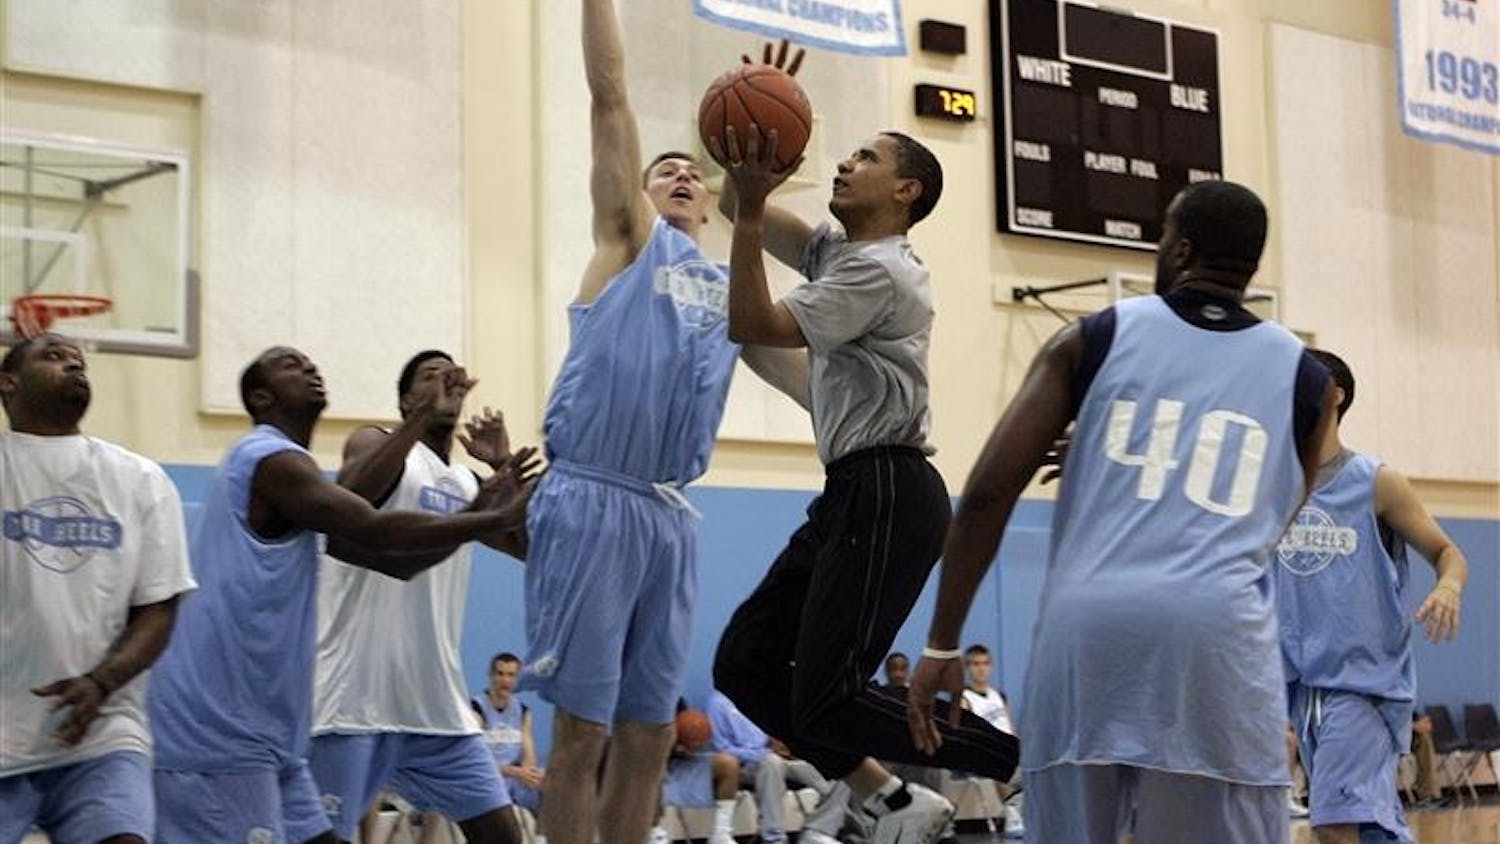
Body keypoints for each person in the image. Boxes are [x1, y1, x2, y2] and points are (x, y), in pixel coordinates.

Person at [907, 181, 1338, 844]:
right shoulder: (1307, 378)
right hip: (1215, 639)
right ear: (1251, 266)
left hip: (1089, 636)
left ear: (1182, 248)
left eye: (1164, 236)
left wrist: (942, 641)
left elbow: (990, 492)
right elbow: (1273, 514)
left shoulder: (1097, 336)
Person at [709, 121, 1018, 844]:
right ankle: (891, 801)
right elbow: (732, 205)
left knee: (826, 700)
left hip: (889, 490)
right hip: (853, 490)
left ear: (905, 191)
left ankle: (1022, 759)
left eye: (866, 158)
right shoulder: (843, 251)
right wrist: (744, 161)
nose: (845, 163)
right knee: (745, 661)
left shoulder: (880, 270)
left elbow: (752, 319)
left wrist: (753, 211)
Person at [522, 5, 786, 844]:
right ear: (637, 191)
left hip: (668, 513)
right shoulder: (627, 244)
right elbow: (609, 96)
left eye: (692, 172)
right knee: (582, 733)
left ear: (712, 200)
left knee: (650, 731)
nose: (678, 175)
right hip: (591, 495)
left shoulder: (733, 286)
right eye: (662, 168)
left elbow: (816, 387)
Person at [148, 346, 534, 844]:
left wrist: (495, 491)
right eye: (292, 365)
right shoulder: (278, 459)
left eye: (311, 363)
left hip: (412, 708)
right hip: (304, 710)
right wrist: (482, 510)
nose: (310, 368)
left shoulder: (458, 483)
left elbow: (402, 561)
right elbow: (365, 514)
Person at [309, 350, 537, 843]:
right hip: (354, 697)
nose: (446, 384)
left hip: (435, 705)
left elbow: (530, 550)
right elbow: (351, 500)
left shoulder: (462, 483)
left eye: (453, 376)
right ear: (406, 398)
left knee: (504, 835)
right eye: (431, 377)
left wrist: (503, 465)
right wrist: (417, 420)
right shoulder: (376, 441)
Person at [0, 334, 197, 844]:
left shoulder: (141, 480)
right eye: (53, 356)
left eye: (78, 360)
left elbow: (158, 609)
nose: (72, 364)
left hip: (100, 732)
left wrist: (102, 682)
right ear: (9, 382)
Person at [1274, 348, 1468, 844]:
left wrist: (1448, 585)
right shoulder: (1273, 486)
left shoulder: (1376, 482)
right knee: (1368, 827)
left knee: (1335, 825)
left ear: (1335, 393)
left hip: (1362, 682)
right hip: (1300, 686)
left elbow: (1448, 552)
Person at [708, 690, 846, 843]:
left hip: (779, 758)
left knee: (842, 771)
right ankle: (773, 837)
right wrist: (762, 753)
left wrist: (786, 746)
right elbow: (722, 748)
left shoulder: (758, 699)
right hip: (746, 766)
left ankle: (817, 832)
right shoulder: (718, 704)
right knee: (771, 763)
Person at [475, 652, 545, 815]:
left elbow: (529, 754)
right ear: (491, 675)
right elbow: (475, 759)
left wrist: (529, 773)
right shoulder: (475, 709)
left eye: (511, 675)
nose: (505, 680)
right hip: (487, 777)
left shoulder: (523, 711)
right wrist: (515, 772)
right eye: (500, 674)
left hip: (515, 778)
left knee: (544, 784)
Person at [960, 645, 1012, 735]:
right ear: (967, 667)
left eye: (986, 663)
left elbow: (1010, 728)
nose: (981, 669)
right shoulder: (964, 699)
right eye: (976, 664)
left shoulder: (1000, 696)